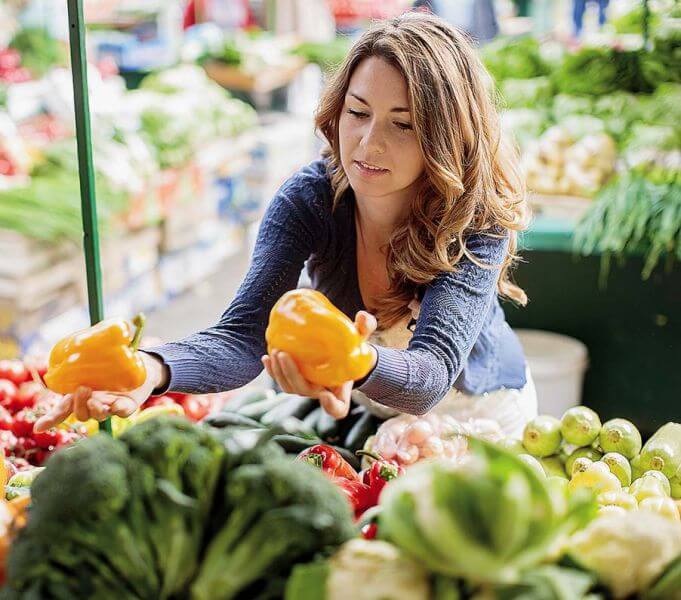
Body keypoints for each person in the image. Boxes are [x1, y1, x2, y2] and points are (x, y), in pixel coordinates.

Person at [36, 12, 536, 439]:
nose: (368, 143)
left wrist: (347, 360)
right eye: (357, 113)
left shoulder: (475, 217)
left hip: (478, 413)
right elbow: (242, 339)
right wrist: (149, 368)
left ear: (446, 135)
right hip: (372, 409)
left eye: (402, 124)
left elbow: (431, 376)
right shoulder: (311, 198)